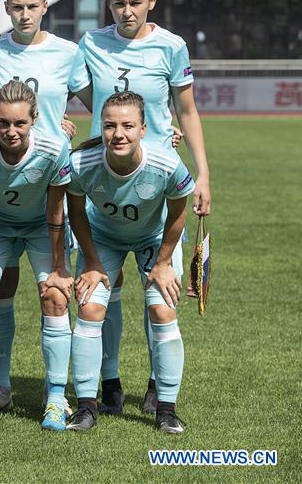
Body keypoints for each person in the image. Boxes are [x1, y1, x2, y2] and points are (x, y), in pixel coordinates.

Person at [75, 0, 211, 414]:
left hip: (157, 181)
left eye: (135, 2)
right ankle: (109, 382)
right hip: (103, 181)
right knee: (102, 295)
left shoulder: (171, 46)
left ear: (151, 1)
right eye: (117, 3)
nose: (126, 11)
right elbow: (66, 84)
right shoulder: (90, 43)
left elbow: (187, 112)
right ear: (107, 5)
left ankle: (158, 384)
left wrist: (202, 172)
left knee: (161, 292)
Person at [0, 0, 89, 413]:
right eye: (16, 7)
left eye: (32, 7)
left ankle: (55, 393)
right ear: (6, 8)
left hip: (48, 192)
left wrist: (70, 130)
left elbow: (98, 106)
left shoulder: (67, 51)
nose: (24, 14)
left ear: (45, 7)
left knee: (56, 292)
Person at [66, 90, 193, 434]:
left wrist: (164, 262)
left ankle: (166, 409)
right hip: (103, 238)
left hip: (153, 239)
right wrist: (91, 261)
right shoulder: (81, 164)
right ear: (102, 128)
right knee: (90, 309)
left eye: (127, 126)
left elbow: (180, 208)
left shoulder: (165, 163)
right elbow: (76, 213)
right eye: (110, 126)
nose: (117, 134)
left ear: (143, 129)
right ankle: (86, 406)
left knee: (162, 310)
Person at [0, 80, 75, 430]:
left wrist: (58, 267)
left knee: (56, 297)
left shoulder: (55, 148)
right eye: (3, 123)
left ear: (35, 120)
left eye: (20, 123)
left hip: (42, 225)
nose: (11, 131)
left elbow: (57, 211)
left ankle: (55, 397)